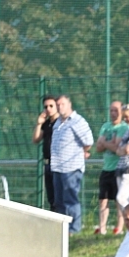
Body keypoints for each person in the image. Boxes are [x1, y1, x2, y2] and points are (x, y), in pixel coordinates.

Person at [50, 95, 94, 234]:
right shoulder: (58, 122)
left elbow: (88, 142)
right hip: (57, 167)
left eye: (62, 104)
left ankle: (74, 229)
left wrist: (80, 153)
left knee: (70, 199)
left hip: (71, 168)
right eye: (58, 104)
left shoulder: (77, 121)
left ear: (69, 104)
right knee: (59, 200)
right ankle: (62, 229)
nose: (59, 107)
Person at [94, 101, 128, 235]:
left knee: (118, 199)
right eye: (111, 110)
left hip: (118, 168)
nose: (113, 113)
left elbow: (117, 147)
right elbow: (98, 147)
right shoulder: (106, 126)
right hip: (106, 168)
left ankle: (119, 227)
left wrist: (105, 143)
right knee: (103, 199)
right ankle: (102, 227)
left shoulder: (124, 127)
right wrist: (109, 143)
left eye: (116, 110)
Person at [32, 95, 58, 209]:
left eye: (51, 106)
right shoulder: (46, 124)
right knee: (51, 198)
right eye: (46, 106)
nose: (48, 109)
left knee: (59, 196)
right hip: (47, 163)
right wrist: (39, 124)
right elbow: (36, 139)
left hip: (58, 163)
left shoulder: (61, 123)